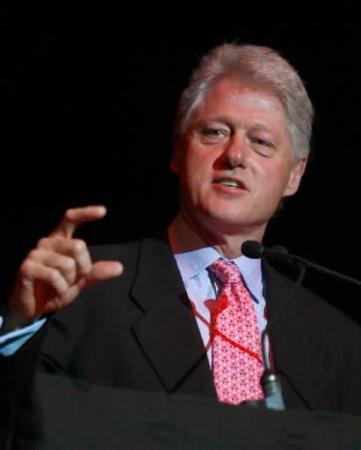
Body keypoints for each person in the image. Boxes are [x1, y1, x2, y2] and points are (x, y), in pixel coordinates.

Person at [1, 43, 361, 420]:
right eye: (215, 132)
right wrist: (18, 327)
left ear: (294, 175)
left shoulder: (340, 343)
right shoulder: (80, 290)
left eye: (261, 142)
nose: (235, 155)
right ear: (177, 151)